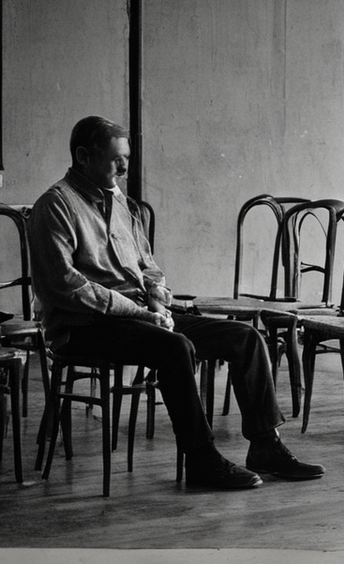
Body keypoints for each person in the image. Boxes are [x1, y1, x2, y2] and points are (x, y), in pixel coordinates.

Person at [28, 115, 324, 490]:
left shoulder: (123, 205)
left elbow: (148, 266)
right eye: (116, 159)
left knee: (245, 337)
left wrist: (157, 299)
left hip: (141, 316)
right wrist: (140, 312)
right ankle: (202, 460)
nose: (124, 167)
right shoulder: (55, 205)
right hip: (83, 327)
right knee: (174, 348)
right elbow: (64, 286)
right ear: (84, 157)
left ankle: (266, 445)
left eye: (127, 159)